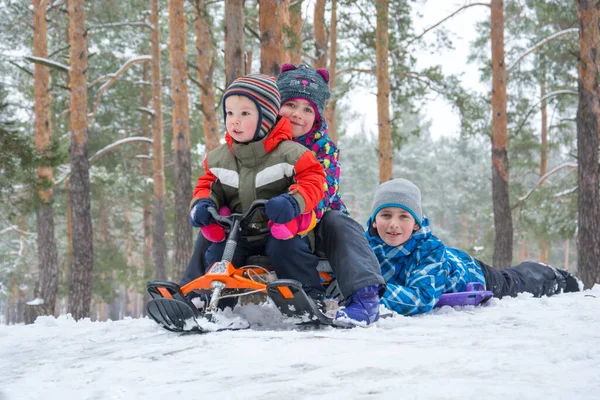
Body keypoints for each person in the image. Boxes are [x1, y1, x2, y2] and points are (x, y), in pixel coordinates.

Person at [182, 64, 385, 327]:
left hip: (310, 223)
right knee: (214, 225)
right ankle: (192, 294)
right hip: (255, 224)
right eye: (290, 105)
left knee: (340, 222)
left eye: (307, 109)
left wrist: (292, 207)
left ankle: (364, 297)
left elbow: (321, 190)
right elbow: (218, 181)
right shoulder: (251, 142)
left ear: (317, 117)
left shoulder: (322, 149)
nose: (297, 114)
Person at [189, 73, 326, 302]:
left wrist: (293, 202)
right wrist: (204, 204)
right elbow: (207, 186)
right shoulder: (219, 158)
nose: (235, 120)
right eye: (230, 113)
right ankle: (214, 301)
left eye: (245, 114)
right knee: (219, 253)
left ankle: (310, 296)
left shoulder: (291, 152)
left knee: (288, 250)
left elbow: (314, 179)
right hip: (239, 230)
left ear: (265, 118)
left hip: (279, 227)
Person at [366, 178, 581, 316]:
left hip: (470, 272)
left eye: (403, 216)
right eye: (386, 215)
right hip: (449, 261)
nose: (393, 223)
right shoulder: (364, 249)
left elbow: (420, 298)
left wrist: (369, 291)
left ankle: (554, 276)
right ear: (374, 221)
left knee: (514, 283)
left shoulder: (429, 251)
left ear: (416, 223)